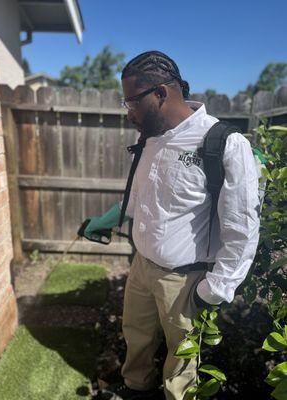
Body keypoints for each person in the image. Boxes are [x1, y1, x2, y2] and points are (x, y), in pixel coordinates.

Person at [82, 51, 260, 400]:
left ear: (160, 93)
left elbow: (242, 228)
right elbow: (138, 199)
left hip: (184, 279)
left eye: (131, 102)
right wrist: (105, 220)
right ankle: (135, 388)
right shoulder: (152, 139)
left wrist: (215, 289)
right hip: (141, 266)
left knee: (181, 362)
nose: (128, 112)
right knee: (136, 335)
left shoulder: (223, 144)